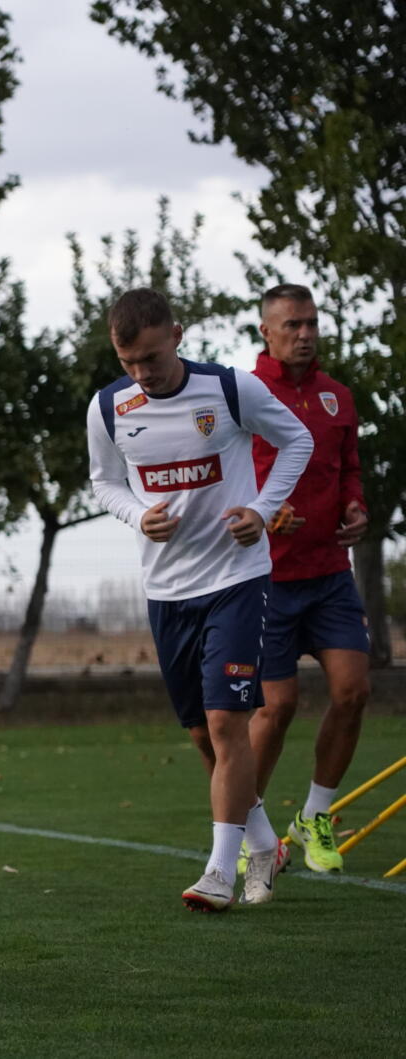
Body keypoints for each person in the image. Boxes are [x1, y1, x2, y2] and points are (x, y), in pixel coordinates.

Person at [86, 287, 312, 911]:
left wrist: (262, 510)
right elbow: (104, 482)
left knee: (225, 722)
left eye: (152, 358)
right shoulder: (108, 407)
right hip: (166, 591)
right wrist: (137, 515)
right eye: (128, 361)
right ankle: (263, 844)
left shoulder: (230, 388)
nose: (141, 372)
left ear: (178, 335)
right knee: (201, 736)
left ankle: (219, 871)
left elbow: (297, 441)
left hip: (236, 581)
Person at [244, 283, 370, 874]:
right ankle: (247, 830)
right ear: (266, 331)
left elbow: (349, 470)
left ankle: (314, 816)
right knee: (277, 708)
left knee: (353, 691)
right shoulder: (244, 394)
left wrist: (355, 507)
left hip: (329, 576)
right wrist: (264, 511)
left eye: (311, 323)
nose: (304, 334)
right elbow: (229, 474)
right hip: (266, 578)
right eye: (292, 324)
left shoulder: (337, 397)